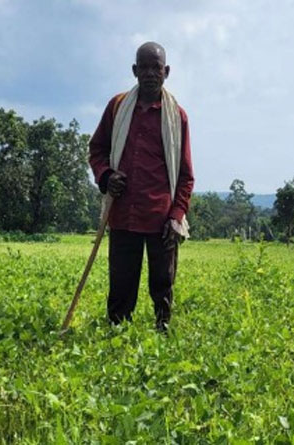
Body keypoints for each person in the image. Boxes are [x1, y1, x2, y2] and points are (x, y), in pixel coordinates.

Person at [88, 41, 194, 332]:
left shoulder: (177, 116)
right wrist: (106, 176)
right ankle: (117, 333)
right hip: (123, 213)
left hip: (162, 218)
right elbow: (97, 150)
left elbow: (186, 175)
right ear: (134, 71)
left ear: (166, 72)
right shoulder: (118, 107)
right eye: (143, 67)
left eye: (155, 68)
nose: (149, 73)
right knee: (121, 285)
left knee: (163, 283)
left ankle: (162, 329)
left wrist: (177, 216)